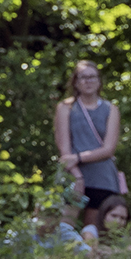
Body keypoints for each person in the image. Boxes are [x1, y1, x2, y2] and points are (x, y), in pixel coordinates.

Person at [54, 61, 122, 231]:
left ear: (99, 81)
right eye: (83, 77)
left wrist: (77, 158)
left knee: (92, 232)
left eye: (92, 77)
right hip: (72, 175)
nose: (88, 81)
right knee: (63, 228)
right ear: (76, 82)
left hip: (102, 178)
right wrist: (77, 177)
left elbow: (108, 149)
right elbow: (64, 149)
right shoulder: (65, 107)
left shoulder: (110, 109)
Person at [86, 194, 131, 259]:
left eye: (122, 218)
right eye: (114, 216)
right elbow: (93, 253)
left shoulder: (124, 235)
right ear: (104, 215)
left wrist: (115, 252)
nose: (118, 221)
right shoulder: (91, 231)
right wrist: (126, 254)